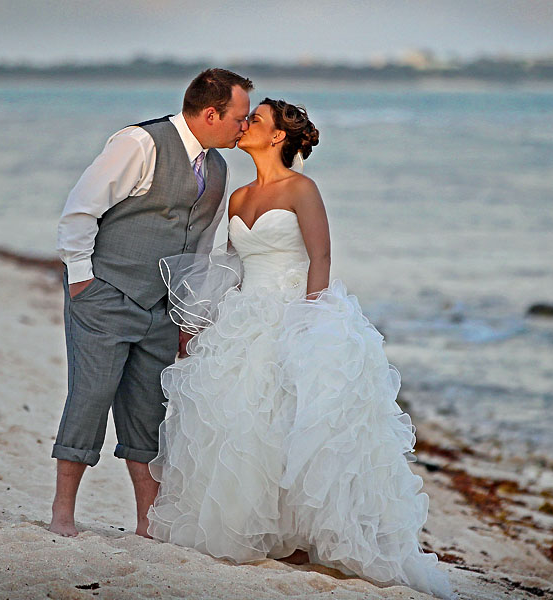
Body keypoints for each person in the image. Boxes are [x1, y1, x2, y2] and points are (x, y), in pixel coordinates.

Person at [147, 98, 455, 599]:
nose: (245, 125)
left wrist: (310, 323)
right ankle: (265, 529)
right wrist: (199, 321)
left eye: (256, 120)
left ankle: (307, 535)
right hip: (246, 314)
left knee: (296, 421)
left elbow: (321, 257)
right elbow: (227, 266)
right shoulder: (240, 195)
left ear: (276, 138)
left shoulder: (302, 190)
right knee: (246, 422)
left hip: (295, 310)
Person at [50, 68, 253, 537]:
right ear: (210, 113)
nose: (244, 127)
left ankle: (148, 523)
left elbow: (200, 247)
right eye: (240, 118)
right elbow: (80, 211)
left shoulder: (218, 167)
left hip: (162, 309)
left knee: (150, 411)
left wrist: (188, 314)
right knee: (90, 397)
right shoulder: (138, 143)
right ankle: (63, 514)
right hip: (106, 294)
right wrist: (83, 282)